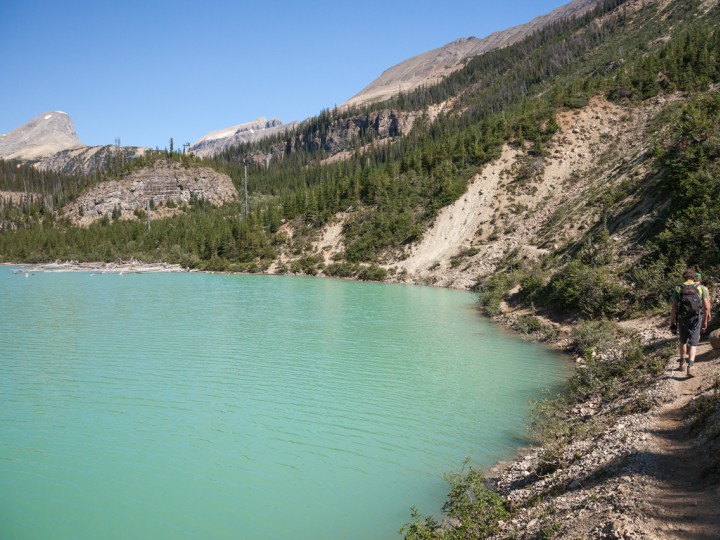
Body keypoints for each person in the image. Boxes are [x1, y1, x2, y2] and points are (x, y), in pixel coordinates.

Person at [670, 268, 711, 377]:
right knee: (693, 343)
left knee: (683, 341)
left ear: (684, 277)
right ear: (694, 277)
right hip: (696, 318)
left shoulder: (679, 288)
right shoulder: (700, 288)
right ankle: (690, 366)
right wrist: (705, 321)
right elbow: (706, 307)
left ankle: (682, 363)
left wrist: (671, 322)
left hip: (683, 318)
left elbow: (674, 306)